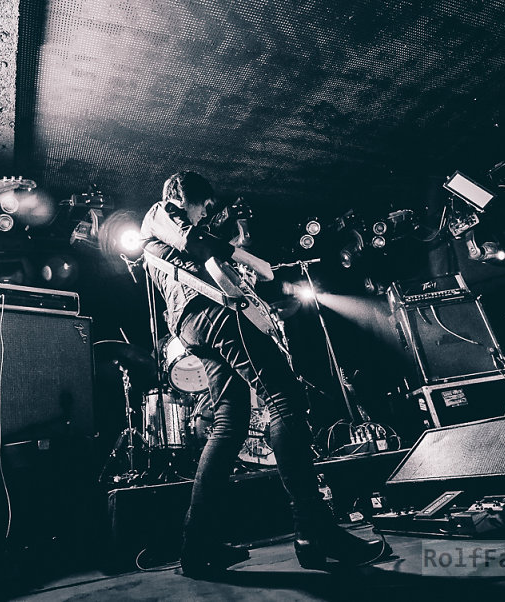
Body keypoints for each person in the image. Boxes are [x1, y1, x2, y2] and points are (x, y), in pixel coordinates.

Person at [140, 171, 388, 578]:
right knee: (286, 401)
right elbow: (197, 242)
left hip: (195, 323)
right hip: (215, 311)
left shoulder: (163, 235)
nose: (205, 215)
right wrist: (250, 261)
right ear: (185, 195)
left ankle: (197, 546)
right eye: (203, 207)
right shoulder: (161, 213)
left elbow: (197, 255)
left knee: (229, 424)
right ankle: (315, 531)